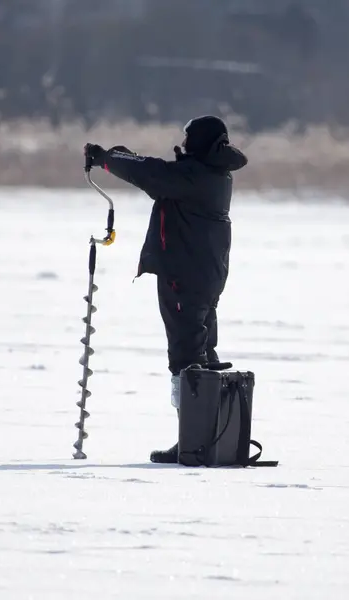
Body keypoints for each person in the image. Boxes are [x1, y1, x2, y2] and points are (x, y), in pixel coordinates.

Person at [84, 115, 248, 463]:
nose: (184, 144)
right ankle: (208, 438)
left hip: (184, 277)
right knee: (203, 355)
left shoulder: (195, 176)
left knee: (186, 360)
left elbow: (154, 175)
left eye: (189, 139)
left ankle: (194, 441)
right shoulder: (213, 173)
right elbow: (154, 174)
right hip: (203, 276)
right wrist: (120, 159)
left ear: (201, 143)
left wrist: (106, 158)